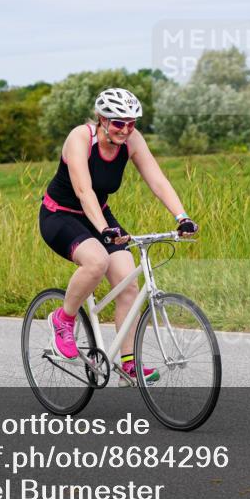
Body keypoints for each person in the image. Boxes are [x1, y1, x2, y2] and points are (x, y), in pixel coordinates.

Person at [38, 88, 199, 386]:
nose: (125, 129)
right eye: (118, 123)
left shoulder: (132, 141)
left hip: (100, 214)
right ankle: (64, 318)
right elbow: (83, 192)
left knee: (127, 282)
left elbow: (157, 179)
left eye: (131, 123)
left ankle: (129, 365)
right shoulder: (80, 139)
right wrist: (103, 231)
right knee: (96, 261)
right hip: (60, 215)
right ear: (102, 119)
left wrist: (182, 216)